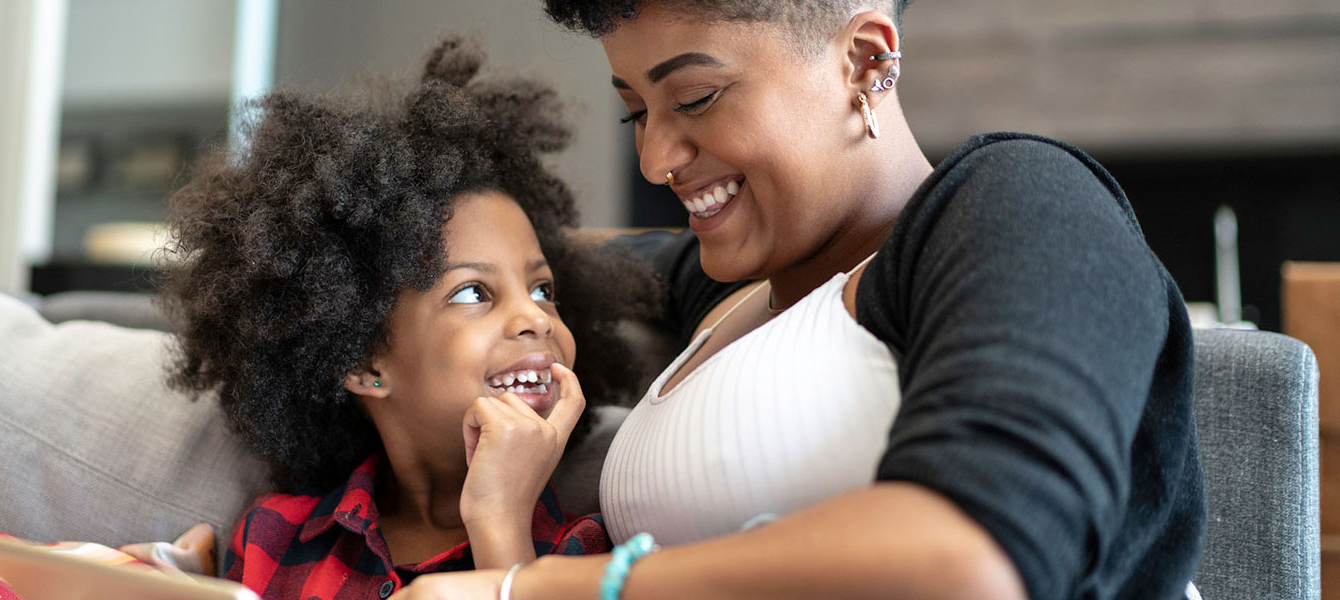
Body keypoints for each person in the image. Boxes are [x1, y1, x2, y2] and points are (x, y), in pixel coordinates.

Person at [398, 2, 1205, 599]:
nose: (654, 159)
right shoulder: (728, 282)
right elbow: (465, 268)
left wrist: (528, 592)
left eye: (696, 99)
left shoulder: (1020, 202)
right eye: (636, 110)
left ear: (862, 60)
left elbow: (975, 558)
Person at [157, 37, 662, 599]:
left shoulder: (587, 554)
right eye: (473, 293)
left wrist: (500, 520)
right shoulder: (272, 538)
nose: (535, 318)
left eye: (543, 288)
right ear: (362, 359)